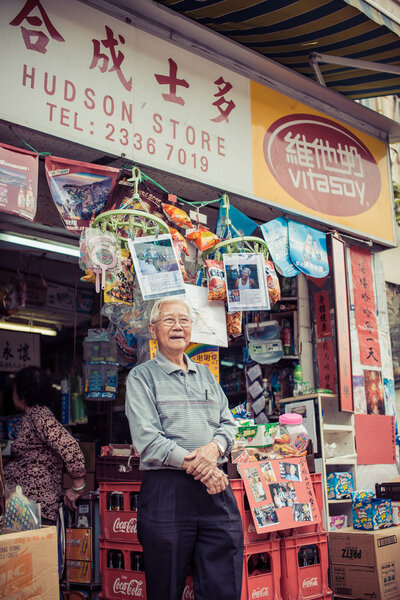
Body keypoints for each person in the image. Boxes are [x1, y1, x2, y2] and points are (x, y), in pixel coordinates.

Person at [125, 296, 244, 600]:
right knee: (165, 586)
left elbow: (229, 425)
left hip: (214, 493)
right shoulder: (141, 377)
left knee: (224, 583)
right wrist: (205, 469)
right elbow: (149, 441)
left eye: (184, 320)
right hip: (168, 491)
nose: (177, 326)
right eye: (169, 320)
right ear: (154, 329)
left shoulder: (206, 375)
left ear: (192, 328)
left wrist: (215, 448)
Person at [4, 367, 86, 525]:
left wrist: (77, 486)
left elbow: (69, 446)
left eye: (14, 389)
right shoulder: (32, 416)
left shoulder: (39, 415)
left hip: (34, 510)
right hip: (23, 510)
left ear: (23, 391)